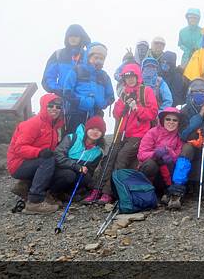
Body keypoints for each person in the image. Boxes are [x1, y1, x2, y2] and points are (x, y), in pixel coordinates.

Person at [84, 63, 158, 204]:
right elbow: (116, 114)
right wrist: (123, 105)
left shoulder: (146, 91)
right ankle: (97, 190)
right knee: (110, 157)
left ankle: (108, 192)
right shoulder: (123, 94)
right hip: (122, 132)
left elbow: (152, 113)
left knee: (122, 157)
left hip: (138, 134)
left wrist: (136, 108)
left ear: (137, 76)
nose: (130, 79)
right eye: (126, 77)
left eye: (132, 76)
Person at [167, 79, 204, 211]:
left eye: (203, 91)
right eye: (196, 91)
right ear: (190, 93)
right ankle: (177, 191)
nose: (200, 94)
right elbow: (183, 133)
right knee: (186, 149)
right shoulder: (185, 111)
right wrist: (199, 116)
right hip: (192, 143)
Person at [7, 93, 64, 214]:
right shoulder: (33, 123)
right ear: (44, 106)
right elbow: (19, 148)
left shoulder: (53, 127)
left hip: (34, 162)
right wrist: (39, 152)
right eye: (51, 105)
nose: (55, 108)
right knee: (47, 160)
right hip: (18, 164)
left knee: (63, 170)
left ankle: (32, 189)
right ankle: (35, 202)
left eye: (58, 106)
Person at [62, 42, 115, 133]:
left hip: (96, 113)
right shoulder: (77, 70)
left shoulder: (104, 76)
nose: (98, 60)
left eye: (101, 58)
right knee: (75, 140)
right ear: (89, 57)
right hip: (77, 113)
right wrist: (81, 101)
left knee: (94, 141)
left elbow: (111, 96)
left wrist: (102, 103)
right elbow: (67, 91)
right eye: (96, 57)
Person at [51, 116, 105, 201]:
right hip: (60, 170)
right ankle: (52, 193)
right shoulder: (72, 138)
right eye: (92, 129)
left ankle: (67, 193)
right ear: (87, 129)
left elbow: (90, 171)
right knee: (69, 175)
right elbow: (58, 155)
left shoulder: (98, 152)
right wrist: (76, 167)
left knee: (86, 178)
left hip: (76, 173)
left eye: (99, 130)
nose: (95, 132)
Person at [137, 107, 185, 199]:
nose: (171, 122)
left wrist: (169, 152)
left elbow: (179, 156)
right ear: (162, 120)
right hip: (153, 170)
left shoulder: (179, 136)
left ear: (178, 122)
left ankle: (166, 192)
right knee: (150, 165)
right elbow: (141, 155)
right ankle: (146, 191)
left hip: (168, 170)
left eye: (175, 120)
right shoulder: (152, 133)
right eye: (168, 119)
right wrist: (155, 154)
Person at [42, 24, 91, 98]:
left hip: (83, 99)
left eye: (76, 36)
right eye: (70, 36)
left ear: (82, 38)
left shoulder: (88, 56)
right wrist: (59, 90)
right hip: (63, 99)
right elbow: (48, 77)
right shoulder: (58, 54)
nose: (73, 38)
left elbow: (94, 77)